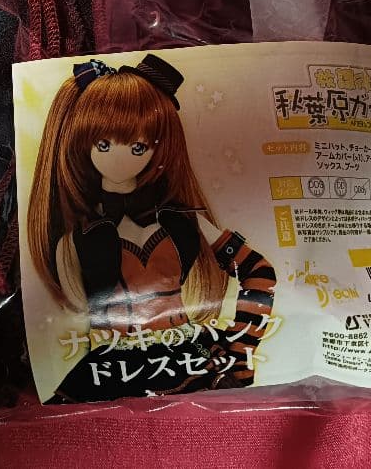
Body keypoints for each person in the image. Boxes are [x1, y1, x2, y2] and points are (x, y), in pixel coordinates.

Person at [26, 54, 277, 402]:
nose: (119, 158)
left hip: (185, 353)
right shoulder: (75, 242)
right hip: (113, 365)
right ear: (82, 145)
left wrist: (241, 350)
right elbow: (77, 321)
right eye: (103, 145)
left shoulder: (183, 221)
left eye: (138, 146)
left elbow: (259, 272)